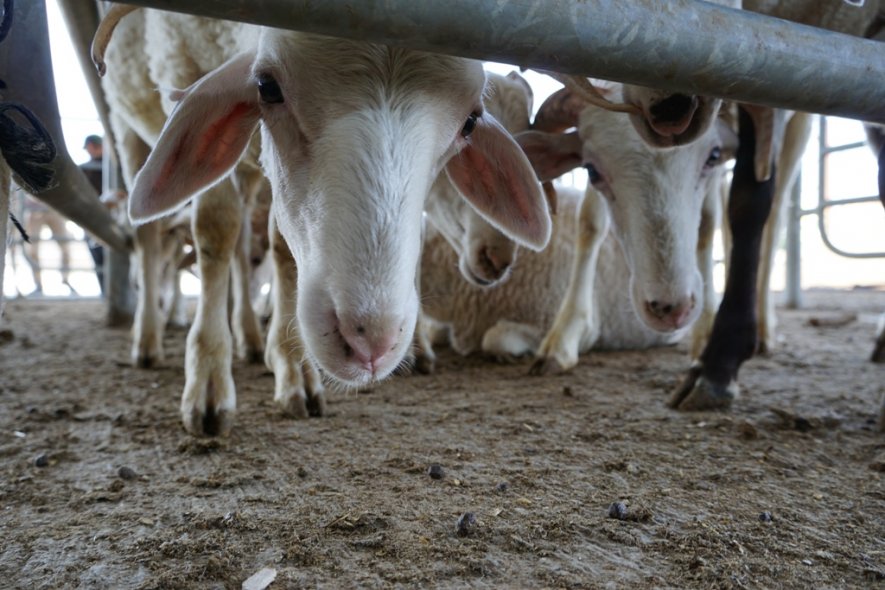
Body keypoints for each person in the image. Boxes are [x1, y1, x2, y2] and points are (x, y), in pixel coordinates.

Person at [81, 135, 106, 295]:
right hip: (92, 217)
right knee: (98, 256)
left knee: (106, 255)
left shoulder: (111, 166)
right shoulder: (85, 168)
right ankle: (105, 291)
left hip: (101, 216)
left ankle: (107, 291)